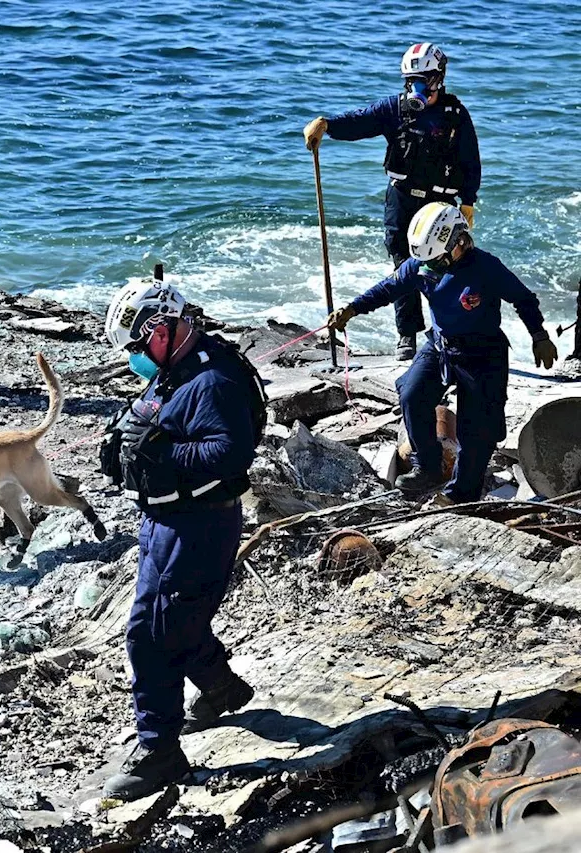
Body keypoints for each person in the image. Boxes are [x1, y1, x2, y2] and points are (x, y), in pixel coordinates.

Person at [97, 279, 265, 801]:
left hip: (196, 526)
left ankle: (159, 750)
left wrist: (160, 460)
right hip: (166, 519)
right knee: (179, 617)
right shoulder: (180, 367)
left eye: (136, 345)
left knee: (151, 634)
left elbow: (229, 455)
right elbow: (153, 420)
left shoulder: (215, 380)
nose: (134, 358)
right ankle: (220, 687)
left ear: (161, 329)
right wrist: (119, 444)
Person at [327, 202, 556, 504]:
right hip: (441, 346)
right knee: (412, 393)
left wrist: (539, 335)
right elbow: (387, 289)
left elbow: (524, 299)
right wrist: (352, 308)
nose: (431, 267)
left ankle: (461, 495)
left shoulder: (485, 267)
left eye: (437, 261)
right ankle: (429, 467)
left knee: (479, 431)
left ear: (459, 241)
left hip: (482, 354)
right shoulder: (421, 266)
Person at [304, 43, 481, 361]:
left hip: (440, 204)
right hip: (401, 200)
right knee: (404, 266)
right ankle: (407, 336)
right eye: (411, 79)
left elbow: (471, 161)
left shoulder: (455, 114)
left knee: (447, 267)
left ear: (439, 77)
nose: (418, 86)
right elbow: (360, 121)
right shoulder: (395, 108)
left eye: (424, 78)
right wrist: (327, 125)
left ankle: (450, 332)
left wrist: (468, 201)